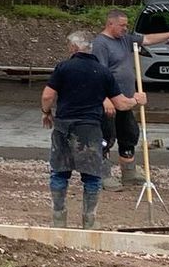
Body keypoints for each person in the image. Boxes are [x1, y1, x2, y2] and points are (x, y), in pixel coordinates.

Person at [42, 30, 147, 229]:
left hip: (64, 126)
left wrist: (46, 112)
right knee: (92, 176)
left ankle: (59, 218)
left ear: (73, 48)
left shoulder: (63, 67)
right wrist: (136, 99)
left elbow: (48, 96)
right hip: (89, 128)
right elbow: (122, 105)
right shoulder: (103, 72)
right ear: (90, 49)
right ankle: (89, 220)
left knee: (59, 173)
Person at [91, 9, 169, 189]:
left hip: (126, 100)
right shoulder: (100, 44)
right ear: (110, 23)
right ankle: (102, 174)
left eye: (126, 25)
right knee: (105, 137)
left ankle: (129, 173)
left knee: (129, 134)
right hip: (109, 102)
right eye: (122, 25)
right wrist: (104, 98)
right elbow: (98, 73)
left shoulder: (126, 40)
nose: (125, 28)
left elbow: (148, 39)